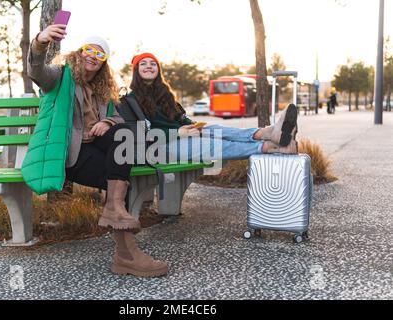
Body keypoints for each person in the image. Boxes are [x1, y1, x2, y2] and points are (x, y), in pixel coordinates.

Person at [26, 25, 168, 277]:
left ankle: (123, 244)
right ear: (80, 53)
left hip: (99, 148)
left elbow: (118, 119)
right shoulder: (59, 77)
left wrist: (108, 122)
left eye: (100, 53)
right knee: (121, 174)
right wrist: (40, 41)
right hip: (72, 153)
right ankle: (126, 252)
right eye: (89, 50)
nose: (93, 55)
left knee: (121, 163)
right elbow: (36, 71)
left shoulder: (104, 91)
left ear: (104, 62)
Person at [125, 52, 298, 164]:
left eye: (153, 63)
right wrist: (177, 133)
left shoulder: (165, 94)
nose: (149, 66)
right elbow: (140, 134)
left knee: (213, 128)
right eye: (143, 63)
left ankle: (268, 133)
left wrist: (191, 125)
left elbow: (180, 118)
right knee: (212, 144)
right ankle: (272, 147)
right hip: (159, 147)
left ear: (158, 70)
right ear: (136, 71)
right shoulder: (130, 99)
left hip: (181, 137)